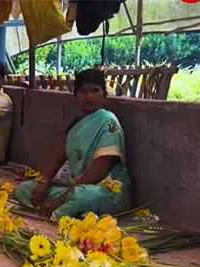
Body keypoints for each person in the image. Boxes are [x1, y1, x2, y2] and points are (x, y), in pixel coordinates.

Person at [14, 68, 131, 220]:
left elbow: (100, 169)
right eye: (83, 91)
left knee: (80, 197)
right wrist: (44, 182)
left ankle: (63, 212)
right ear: (75, 96)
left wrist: (62, 198)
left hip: (107, 191)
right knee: (25, 190)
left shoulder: (108, 123)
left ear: (104, 94)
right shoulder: (76, 124)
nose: (89, 96)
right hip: (76, 187)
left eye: (95, 90)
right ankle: (71, 212)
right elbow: (57, 159)